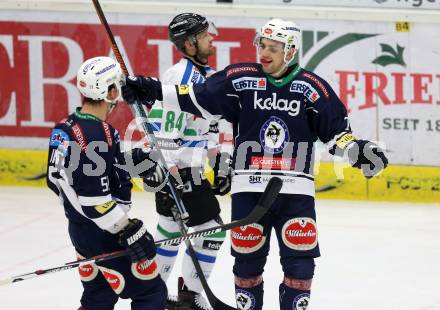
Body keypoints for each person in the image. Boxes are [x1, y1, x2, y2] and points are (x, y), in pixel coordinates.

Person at [121, 19, 388, 310]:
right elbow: (196, 97)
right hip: (249, 191)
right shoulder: (240, 79)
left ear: (290, 51)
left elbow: (337, 134)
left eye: (273, 48)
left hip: (295, 194)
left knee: (300, 267)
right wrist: (150, 89)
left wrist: (357, 150)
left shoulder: (313, 88)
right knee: (247, 266)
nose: (264, 52)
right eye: (262, 45)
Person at [46, 56, 167, 310]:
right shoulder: (97, 135)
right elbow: (96, 203)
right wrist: (129, 229)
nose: (121, 92)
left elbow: (60, 179)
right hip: (105, 233)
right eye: (118, 86)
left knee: (99, 298)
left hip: (81, 232)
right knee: (151, 293)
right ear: (109, 90)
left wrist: (135, 161)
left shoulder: (66, 127)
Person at [141, 13, 233, 310]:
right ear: (190, 43)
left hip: (190, 168)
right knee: (213, 228)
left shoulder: (208, 77)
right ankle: (190, 295)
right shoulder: (180, 78)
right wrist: (165, 177)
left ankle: (153, 295)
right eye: (206, 35)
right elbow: (165, 133)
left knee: (169, 229)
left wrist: (220, 161)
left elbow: (212, 126)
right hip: (179, 171)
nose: (212, 38)